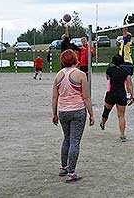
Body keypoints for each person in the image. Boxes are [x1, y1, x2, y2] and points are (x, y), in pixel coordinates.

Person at [52, 49, 95, 183]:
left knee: (67, 139)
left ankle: (63, 167)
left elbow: (55, 97)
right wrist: (91, 114)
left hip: (63, 111)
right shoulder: (81, 75)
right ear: (75, 59)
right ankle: (71, 172)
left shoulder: (58, 75)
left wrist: (54, 113)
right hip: (78, 111)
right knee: (75, 141)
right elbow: (86, 97)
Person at [100, 55, 134, 142]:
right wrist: (132, 95)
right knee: (121, 116)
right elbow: (128, 85)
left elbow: (107, 78)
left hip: (111, 93)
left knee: (106, 110)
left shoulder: (109, 70)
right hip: (121, 94)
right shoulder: (125, 72)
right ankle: (122, 135)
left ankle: (103, 123)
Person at [118, 27, 134, 101]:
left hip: (127, 62)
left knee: (128, 79)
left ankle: (130, 95)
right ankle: (130, 95)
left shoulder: (127, 41)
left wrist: (125, 27)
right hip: (124, 62)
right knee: (126, 80)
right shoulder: (123, 43)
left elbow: (125, 33)